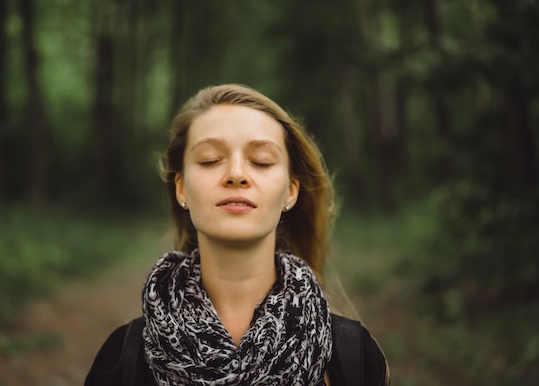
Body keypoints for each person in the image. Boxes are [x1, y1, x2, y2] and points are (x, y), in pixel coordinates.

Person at [84, 84, 389, 386]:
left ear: (290, 192)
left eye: (261, 161)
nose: (236, 173)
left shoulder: (353, 357)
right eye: (209, 159)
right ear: (181, 188)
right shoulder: (122, 359)